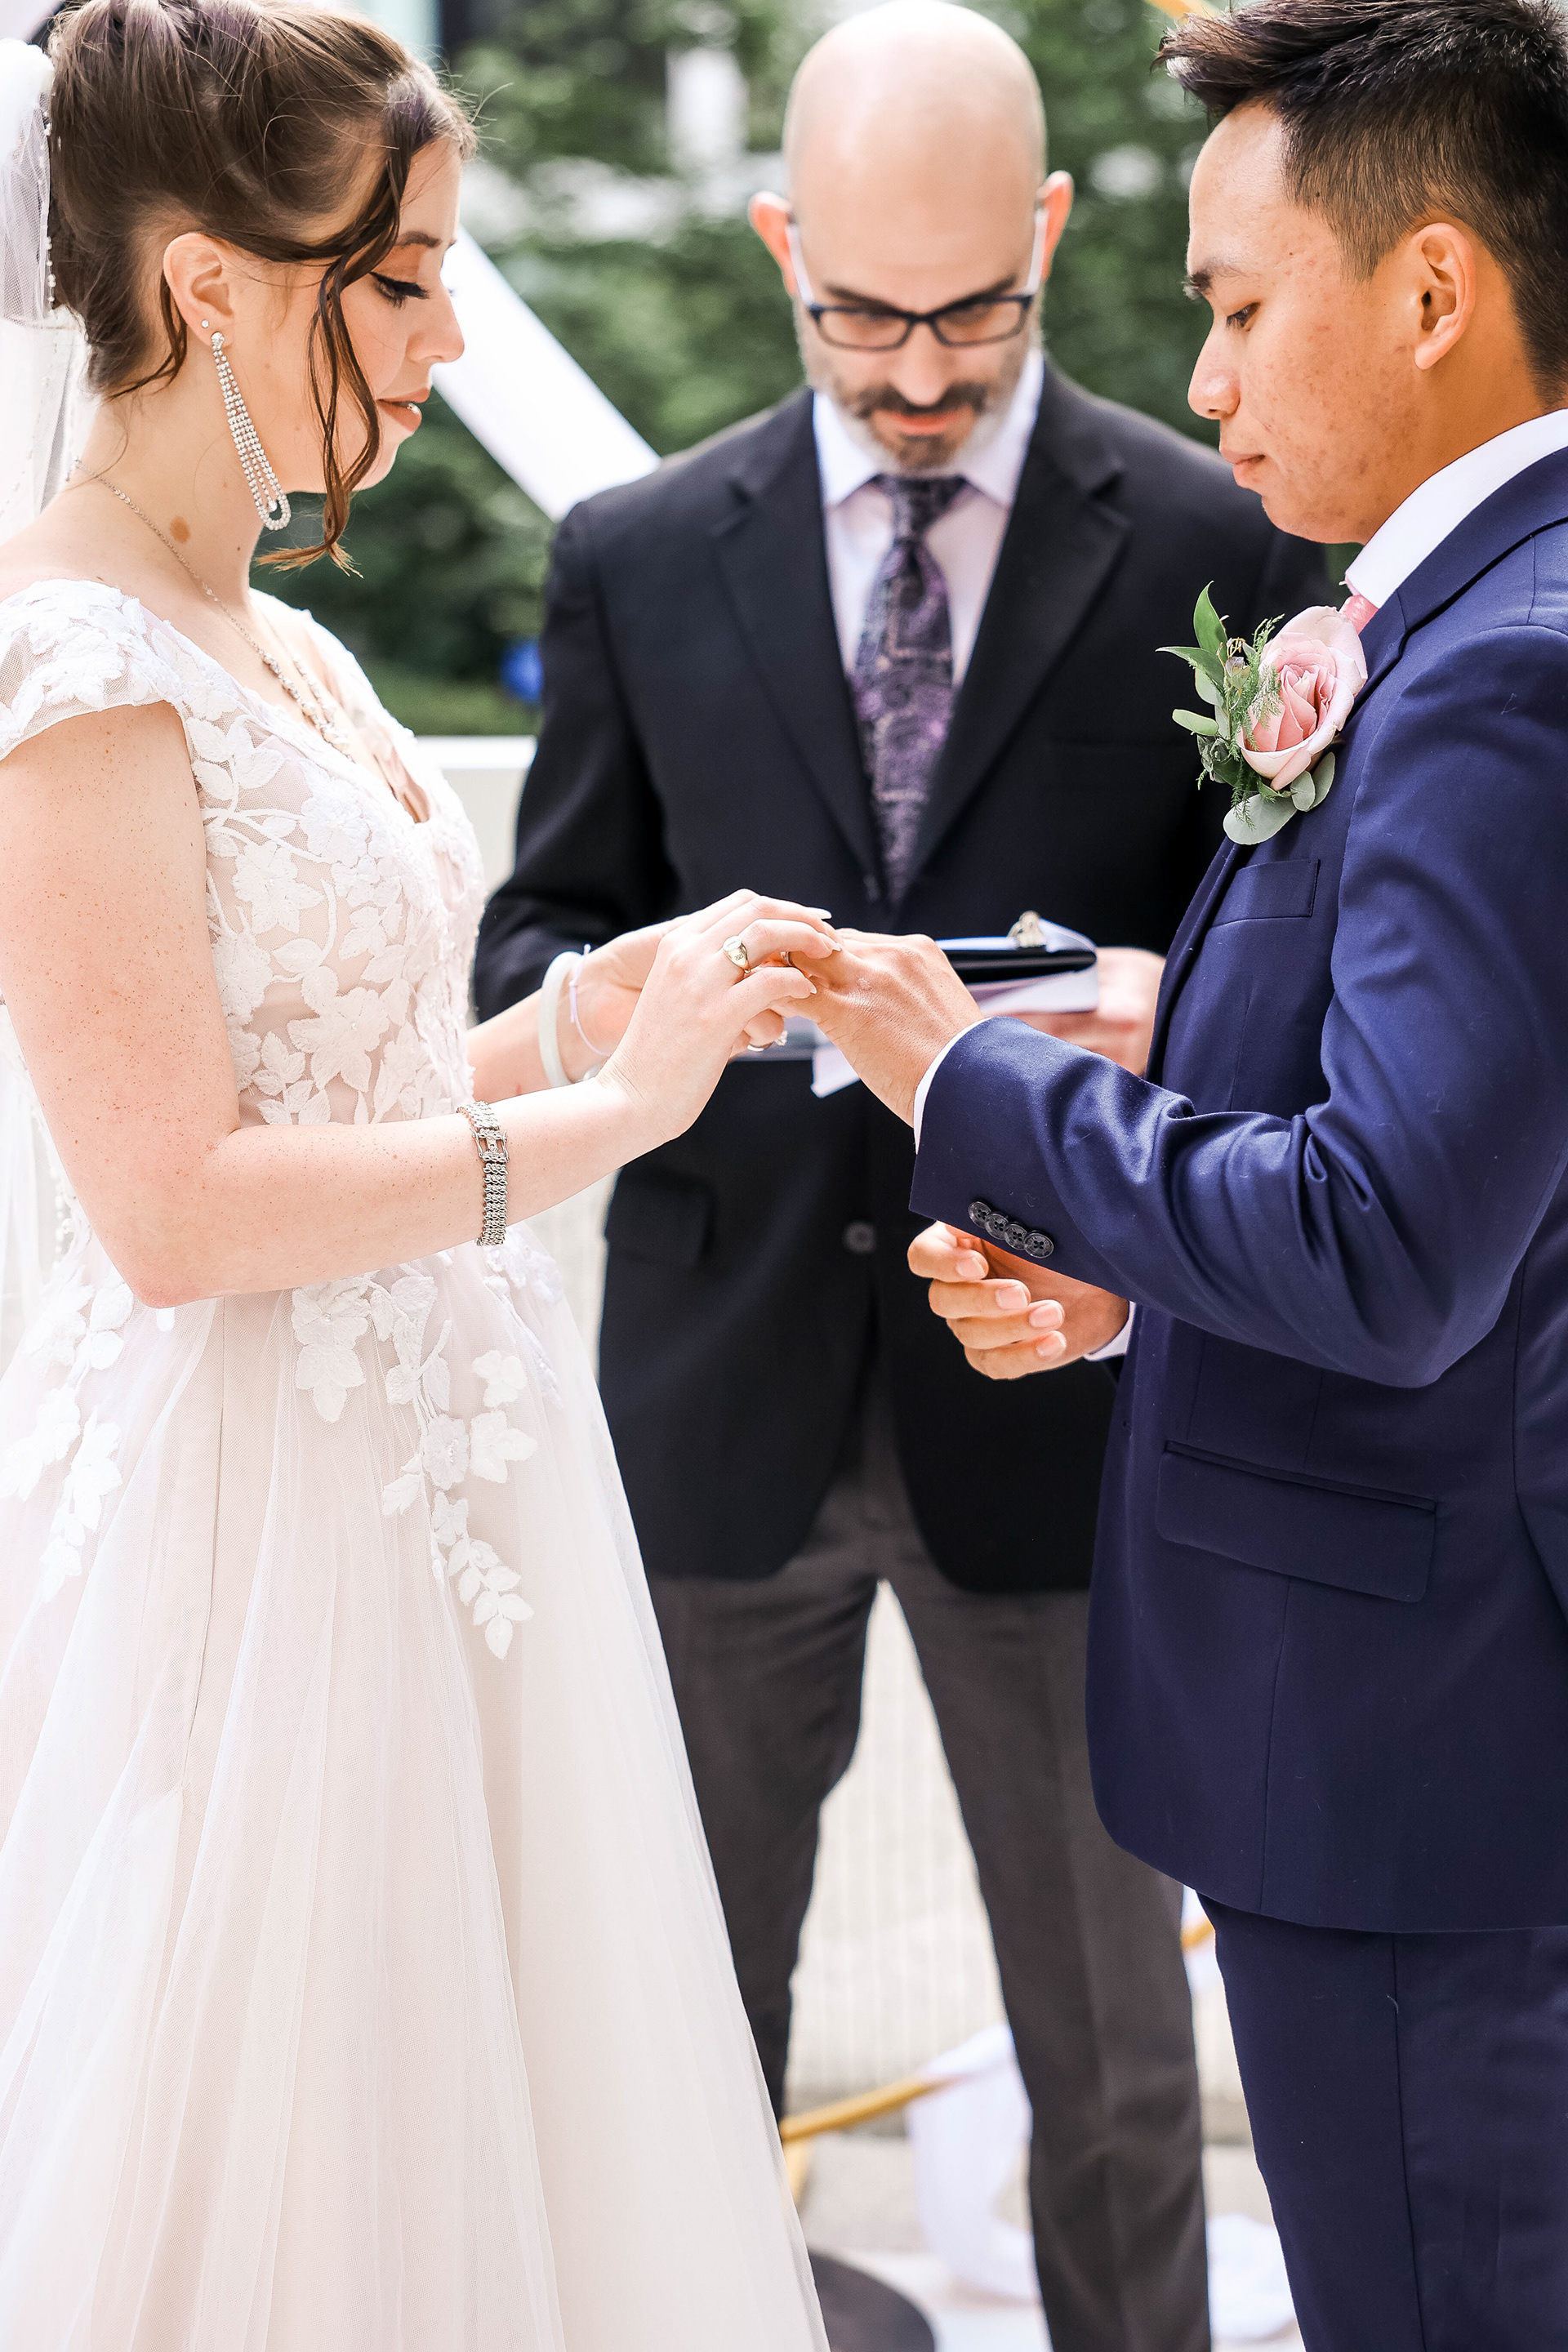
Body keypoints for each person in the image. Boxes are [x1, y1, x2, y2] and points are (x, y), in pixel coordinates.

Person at [474, 6, 1325, 2343]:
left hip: (1064, 1387)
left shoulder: (1223, 536)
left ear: (1050, 235)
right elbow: (535, 939)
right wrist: (674, 996)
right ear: (780, 248)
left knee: (1119, 2056)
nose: (925, 373)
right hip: (721, 1395)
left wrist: (1124, 1008)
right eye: (865, 316)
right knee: (680, 2026)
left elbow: (1276, 968)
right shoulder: (637, 550)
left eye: (977, 314)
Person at [0, 6, 840, 2342]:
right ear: (205, 285)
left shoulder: (278, 642)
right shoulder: (68, 667)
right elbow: (179, 1202)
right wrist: (611, 1118)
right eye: (398, 281)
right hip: (256, 1527)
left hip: (447, 1480)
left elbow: (351, 1084)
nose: (446, 338)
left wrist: (586, 1015)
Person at [805, 0, 1568, 2341]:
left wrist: (966, 1075)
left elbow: (1384, 1243)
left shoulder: (1502, 670)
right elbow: (1486, 1199)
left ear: (1430, 290)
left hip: (1423, 1775)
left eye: (1239, 307)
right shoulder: (1468, 617)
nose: (1208, 379)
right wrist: (1140, 1267)